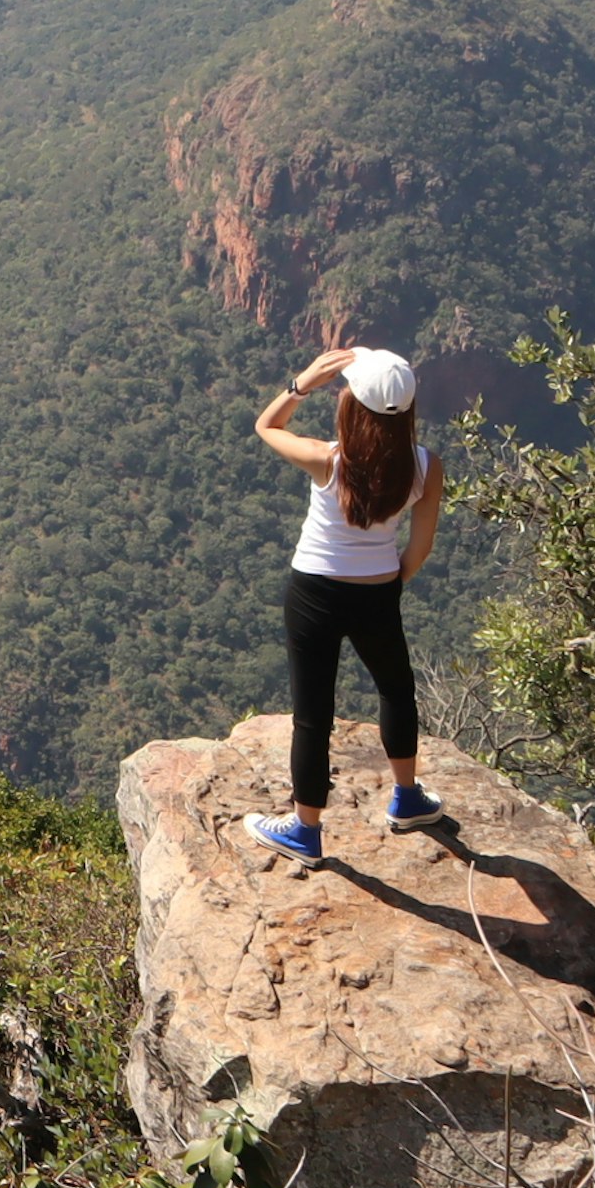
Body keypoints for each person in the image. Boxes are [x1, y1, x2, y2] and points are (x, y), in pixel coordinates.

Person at [241, 345, 447, 863]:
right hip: (378, 589)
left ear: (354, 407)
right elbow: (419, 548)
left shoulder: (328, 459)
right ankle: (406, 798)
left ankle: (305, 831)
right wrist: (391, 578)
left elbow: (266, 426)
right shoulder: (425, 466)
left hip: (313, 591)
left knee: (314, 714)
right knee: (396, 691)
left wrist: (301, 382)